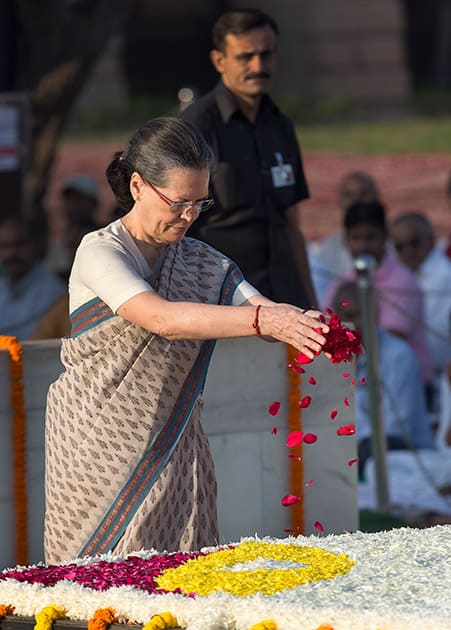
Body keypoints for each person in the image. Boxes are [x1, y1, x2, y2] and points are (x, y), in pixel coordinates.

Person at [44, 117, 329, 564]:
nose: (190, 216)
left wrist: (306, 325)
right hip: (96, 445)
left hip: (174, 443)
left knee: (177, 588)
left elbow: (260, 308)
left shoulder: (200, 260)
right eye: (179, 203)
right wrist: (266, 321)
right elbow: (161, 318)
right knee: (94, 593)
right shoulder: (100, 251)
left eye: (201, 203)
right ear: (138, 186)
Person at [180, 8, 317, 308]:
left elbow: (292, 223)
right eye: (245, 57)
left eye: (266, 54)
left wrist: (310, 302)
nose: (258, 66)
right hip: (223, 301)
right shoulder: (195, 126)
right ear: (219, 61)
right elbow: (176, 224)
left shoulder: (281, 126)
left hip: (284, 296)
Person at [322, 201, 434, 391]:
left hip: (406, 384)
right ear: (346, 240)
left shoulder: (402, 281)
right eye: (355, 238)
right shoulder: (342, 282)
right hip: (363, 382)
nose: (363, 245)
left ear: (385, 236)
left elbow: (384, 341)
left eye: (370, 237)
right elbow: (326, 328)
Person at [332, 281, 435, 478]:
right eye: (346, 316)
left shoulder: (399, 354)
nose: (352, 323)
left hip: (402, 450)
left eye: (357, 315)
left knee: (369, 448)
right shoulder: (332, 358)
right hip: (355, 449)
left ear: (375, 315)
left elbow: (396, 425)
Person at [390, 212, 451, 400]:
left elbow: (432, 335)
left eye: (415, 243)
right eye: (400, 247)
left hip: (438, 376)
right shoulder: (398, 275)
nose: (409, 251)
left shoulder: (444, 276)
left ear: (431, 240)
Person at [0, 215, 66, 340]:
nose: (11, 253)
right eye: (4, 246)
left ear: (36, 244)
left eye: (19, 244)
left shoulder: (55, 292)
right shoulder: (2, 288)